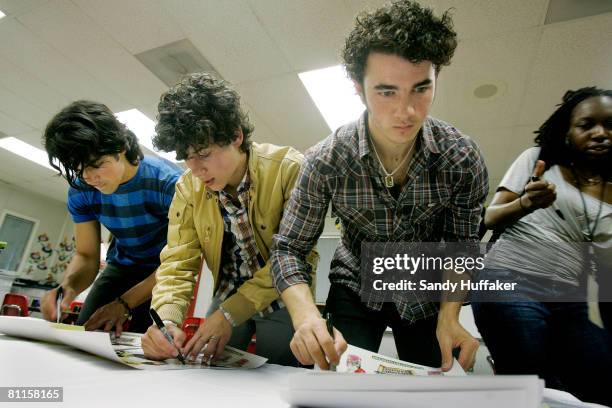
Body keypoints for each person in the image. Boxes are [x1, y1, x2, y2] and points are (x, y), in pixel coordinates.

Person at [271, 0, 488, 371]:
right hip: (355, 288)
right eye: (387, 92)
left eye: (421, 89)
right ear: (358, 87)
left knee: (433, 385)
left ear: (437, 79)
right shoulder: (326, 160)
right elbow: (288, 247)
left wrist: (450, 315)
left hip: (426, 293)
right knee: (339, 382)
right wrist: (306, 315)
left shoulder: (462, 159)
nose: (407, 112)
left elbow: (461, 245)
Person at [141, 73, 318, 366]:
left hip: (284, 293)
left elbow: (291, 257)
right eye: (186, 157)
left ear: (236, 136)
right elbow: (177, 261)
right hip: (226, 293)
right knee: (206, 370)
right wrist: (167, 320)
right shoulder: (187, 188)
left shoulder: (290, 170)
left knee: (280, 372)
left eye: (204, 154)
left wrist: (228, 314)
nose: (195, 169)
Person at [472, 87, 612, 405]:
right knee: (536, 382)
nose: (601, 133)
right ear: (567, 132)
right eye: (587, 124)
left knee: (599, 378)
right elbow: (491, 217)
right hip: (511, 279)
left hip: (569, 296)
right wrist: (525, 203)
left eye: (610, 125)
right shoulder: (538, 160)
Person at [40, 100, 182, 335]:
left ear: (121, 148)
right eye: (79, 169)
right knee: (88, 331)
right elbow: (86, 256)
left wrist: (123, 304)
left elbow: (179, 263)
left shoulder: (168, 183)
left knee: (149, 344)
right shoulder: (81, 189)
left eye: (97, 165)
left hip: (165, 269)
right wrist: (68, 288)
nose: (89, 177)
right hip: (121, 266)